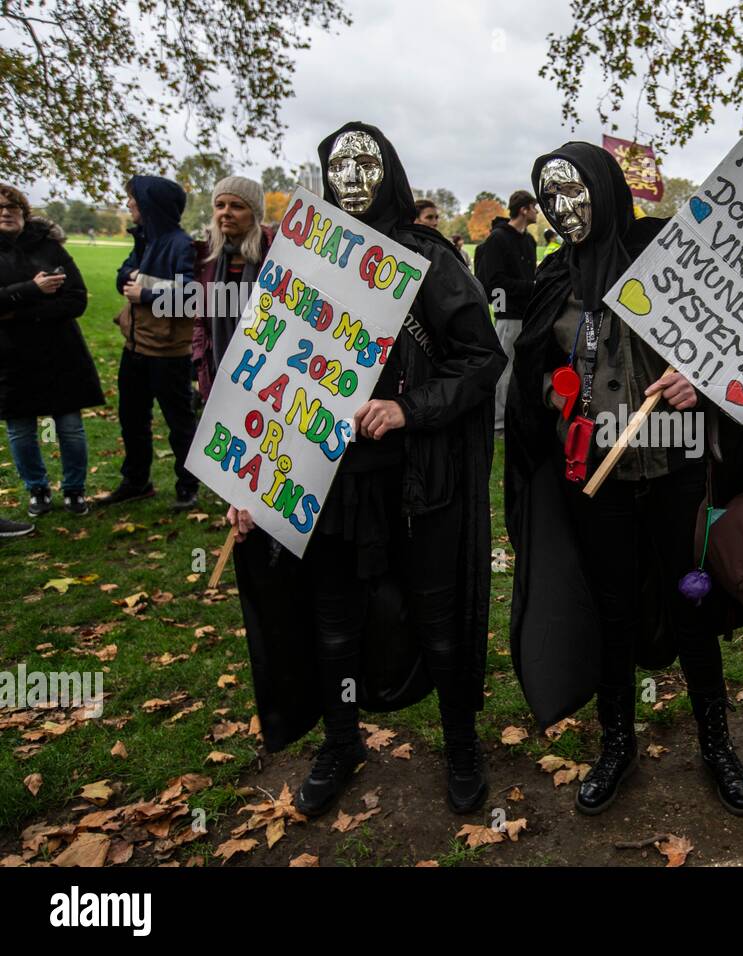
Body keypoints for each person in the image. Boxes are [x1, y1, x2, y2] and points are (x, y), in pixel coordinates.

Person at [225, 122, 505, 817]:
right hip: (321, 482)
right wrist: (250, 481)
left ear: (391, 174)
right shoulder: (299, 261)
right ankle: (343, 739)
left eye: (365, 164)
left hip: (416, 484)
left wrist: (410, 408)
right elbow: (267, 370)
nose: (351, 179)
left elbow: (482, 360)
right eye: (338, 166)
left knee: (437, 620)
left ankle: (460, 740)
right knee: (333, 622)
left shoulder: (429, 259)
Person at [505, 142, 743, 816]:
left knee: (690, 602)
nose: (562, 208)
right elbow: (533, 379)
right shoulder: (554, 277)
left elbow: (739, 344)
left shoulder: (667, 258)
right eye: (549, 196)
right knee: (611, 611)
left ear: (607, 188)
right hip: (593, 481)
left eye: (574, 190)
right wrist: (553, 400)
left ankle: (716, 743)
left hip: (674, 470)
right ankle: (617, 745)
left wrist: (701, 376)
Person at [0, 184, 104, 518]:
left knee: (70, 427)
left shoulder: (49, 248)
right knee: (21, 430)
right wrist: (34, 288)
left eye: (12, 206)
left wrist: (19, 311)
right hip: (11, 356)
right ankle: (37, 489)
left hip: (61, 353)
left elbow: (76, 298)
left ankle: (74, 490)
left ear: (23, 211)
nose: (5, 212)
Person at [104, 175, 199, 509]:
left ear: (151, 205)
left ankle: (188, 486)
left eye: (134, 199)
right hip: (135, 346)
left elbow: (191, 296)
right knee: (131, 417)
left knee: (179, 422)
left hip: (167, 351)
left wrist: (144, 292)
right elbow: (122, 275)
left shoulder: (180, 244)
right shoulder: (142, 238)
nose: (129, 205)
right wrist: (135, 280)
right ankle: (136, 481)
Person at [191, 177, 274, 402]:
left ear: (254, 214)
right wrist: (201, 368)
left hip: (265, 376)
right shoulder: (208, 259)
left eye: (236, 206)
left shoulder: (275, 257)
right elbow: (201, 321)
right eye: (220, 205)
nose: (226, 212)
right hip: (217, 373)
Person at [474, 189, 538, 434]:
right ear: (524, 209)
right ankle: (498, 423)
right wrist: (532, 288)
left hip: (528, 315)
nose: (537, 212)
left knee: (523, 371)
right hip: (508, 315)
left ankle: (517, 416)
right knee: (505, 369)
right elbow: (494, 281)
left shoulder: (529, 241)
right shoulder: (498, 239)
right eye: (534, 206)